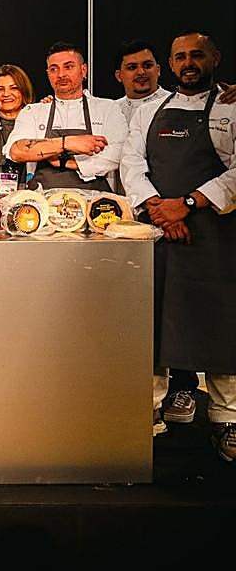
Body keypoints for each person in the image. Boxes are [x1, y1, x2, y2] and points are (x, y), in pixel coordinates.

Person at [120, 31, 236, 461]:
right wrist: (157, 208)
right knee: (157, 321)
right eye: (180, 57)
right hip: (161, 231)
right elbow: (132, 162)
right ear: (170, 64)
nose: (189, 63)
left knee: (220, 322)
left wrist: (187, 204)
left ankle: (227, 417)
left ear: (214, 58)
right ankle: (150, 411)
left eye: (197, 55)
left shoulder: (230, 106)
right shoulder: (151, 110)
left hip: (215, 233)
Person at [4, 42, 127, 191]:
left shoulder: (107, 108)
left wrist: (67, 163)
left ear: (83, 70)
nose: (61, 74)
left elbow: (120, 153)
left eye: (68, 67)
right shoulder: (33, 112)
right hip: (43, 200)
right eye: (54, 69)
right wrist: (67, 143)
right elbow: (16, 151)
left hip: (96, 200)